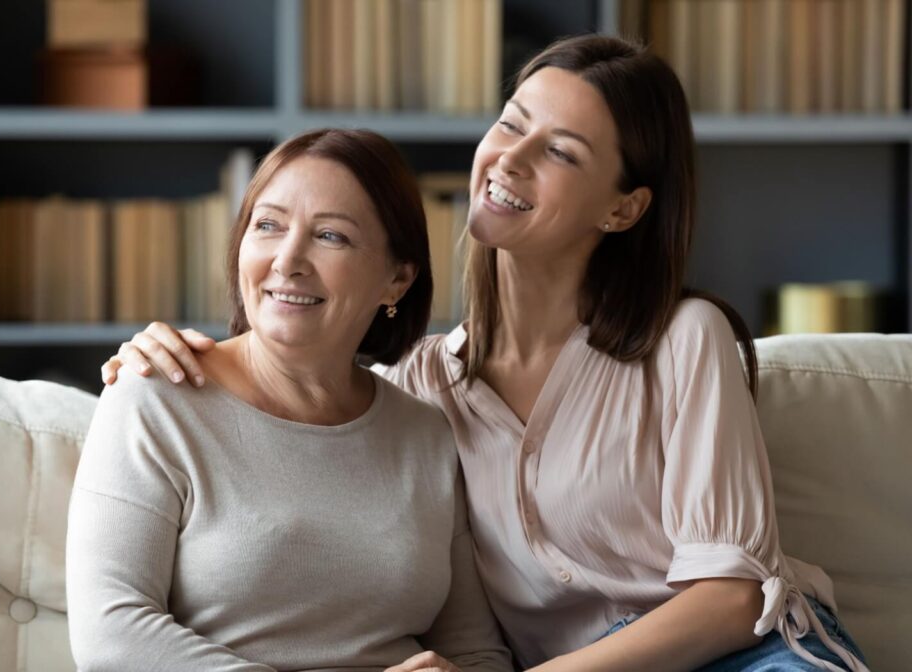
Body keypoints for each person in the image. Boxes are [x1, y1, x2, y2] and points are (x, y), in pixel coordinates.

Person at [99, 36, 869, 672]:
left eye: (560, 151)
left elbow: (731, 599)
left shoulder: (681, 340)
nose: (511, 158)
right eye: (511, 124)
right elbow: (293, 357)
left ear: (623, 207)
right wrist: (149, 353)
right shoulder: (420, 390)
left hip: (746, 659)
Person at [66, 128, 513, 672]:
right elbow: (111, 636)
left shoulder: (427, 435)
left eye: (331, 237)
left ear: (396, 280)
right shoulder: (154, 395)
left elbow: (477, 652)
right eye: (268, 226)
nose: (288, 260)